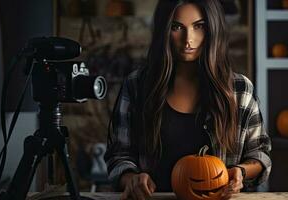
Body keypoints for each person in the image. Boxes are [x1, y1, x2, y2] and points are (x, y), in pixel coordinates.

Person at [104, 0, 271, 199]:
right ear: (163, 30)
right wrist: (131, 178)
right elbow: (118, 155)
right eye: (176, 27)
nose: (188, 39)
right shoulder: (137, 86)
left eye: (199, 26)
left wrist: (241, 171)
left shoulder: (239, 89)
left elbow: (259, 154)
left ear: (213, 29)